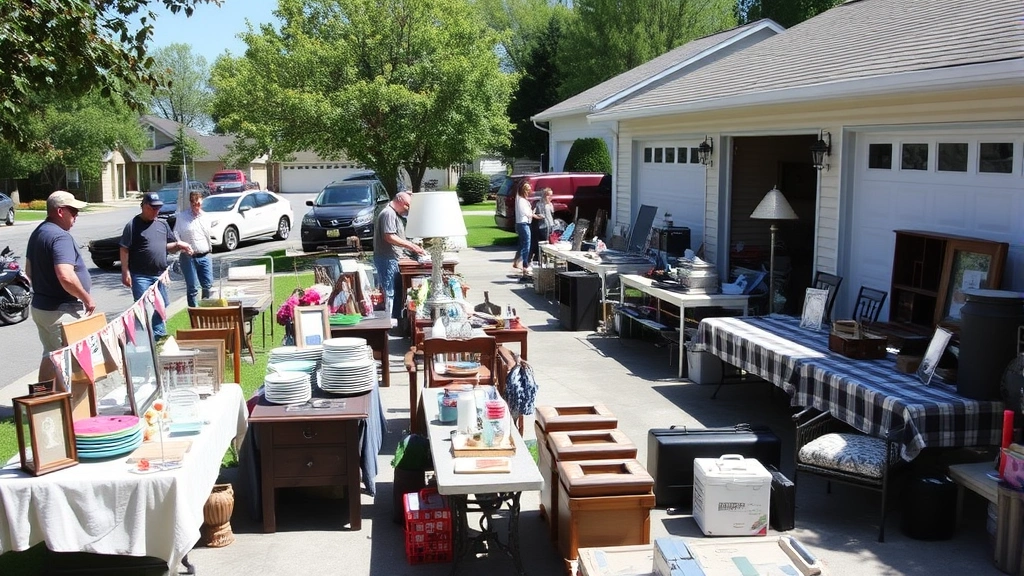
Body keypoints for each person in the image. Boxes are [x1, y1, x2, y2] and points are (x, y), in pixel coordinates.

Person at [25, 191, 96, 358]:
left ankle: (43, 386)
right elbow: (65, 275)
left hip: (42, 308)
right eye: (73, 211)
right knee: (74, 365)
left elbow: (28, 271)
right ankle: (67, 386)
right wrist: (87, 299)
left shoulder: (38, 233)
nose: (76, 216)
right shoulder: (60, 236)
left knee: (50, 357)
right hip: (62, 311)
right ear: (59, 211)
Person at [120, 193, 192, 340]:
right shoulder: (132, 225)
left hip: (160, 275)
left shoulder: (162, 224)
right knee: (143, 309)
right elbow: (124, 248)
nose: (156, 211)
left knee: (162, 305)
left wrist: (179, 245)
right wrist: (125, 271)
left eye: (158, 207)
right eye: (153, 208)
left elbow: (168, 247)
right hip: (141, 275)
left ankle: (158, 337)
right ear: (144, 206)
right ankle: (142, 339)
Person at [372, 191, 426, 320]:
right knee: (389, 291)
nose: (407, 209)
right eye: (407, 205)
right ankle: (388, 322)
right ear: (400, 200)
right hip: (387, 258)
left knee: (396, 291)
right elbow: (389, 236)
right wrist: (411, 246)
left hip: (392, 258)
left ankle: (395, 319)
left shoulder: (393, 213)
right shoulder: (388, 213)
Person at [174, 190, 214, 307]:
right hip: (188, 257)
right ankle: (194, 313)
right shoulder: (182, 217)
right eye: (193, 204)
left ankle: (206, 311)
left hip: (205, 255)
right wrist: (181, 244)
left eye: (198, 204)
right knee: (193, 288)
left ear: (202, 202)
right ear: (190, 203)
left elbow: (208, 234)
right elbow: (175, 233)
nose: (196, 206)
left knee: (207, 285)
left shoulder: (206, 217)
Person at [513, 182, 541, 278]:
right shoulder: (521, 200)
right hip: (523, 224)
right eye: (528, 190)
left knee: (522, 244)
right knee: (527, 244)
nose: (529, 192)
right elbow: (526, 213)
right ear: (524, 190)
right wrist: (535, 216)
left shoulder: (521, 199)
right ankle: (525, 265)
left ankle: (516, 262)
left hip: (522, 223)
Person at [529, 187, 555, 265]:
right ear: (544, 196)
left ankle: (547, 258)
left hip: (550, 225)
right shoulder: (540, 204)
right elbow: (534, 213)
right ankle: (539, 258)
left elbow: (552, 214)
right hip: (543, 226)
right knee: (543, 243)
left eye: (551, 195)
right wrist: (537, 216)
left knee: (550, 242)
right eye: (548, 195)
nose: (550, 197)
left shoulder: (550, 204)